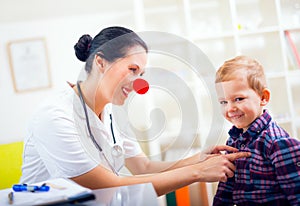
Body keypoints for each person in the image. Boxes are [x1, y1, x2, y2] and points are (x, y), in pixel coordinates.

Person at [20, 26, 251, 196]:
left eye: (141, 74)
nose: (140, 84)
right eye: (132, 69)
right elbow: (103, 186)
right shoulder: (55, 116)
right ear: (101, 62)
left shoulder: (112, 113)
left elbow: (143, 168)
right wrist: (198, 172)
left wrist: (198, 159)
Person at [213, 55, 300, 205]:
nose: (230, 108)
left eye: (238, 99)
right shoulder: (233, 141)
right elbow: (225, 190)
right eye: (223, 102)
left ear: (263, 97)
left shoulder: (278, 143)